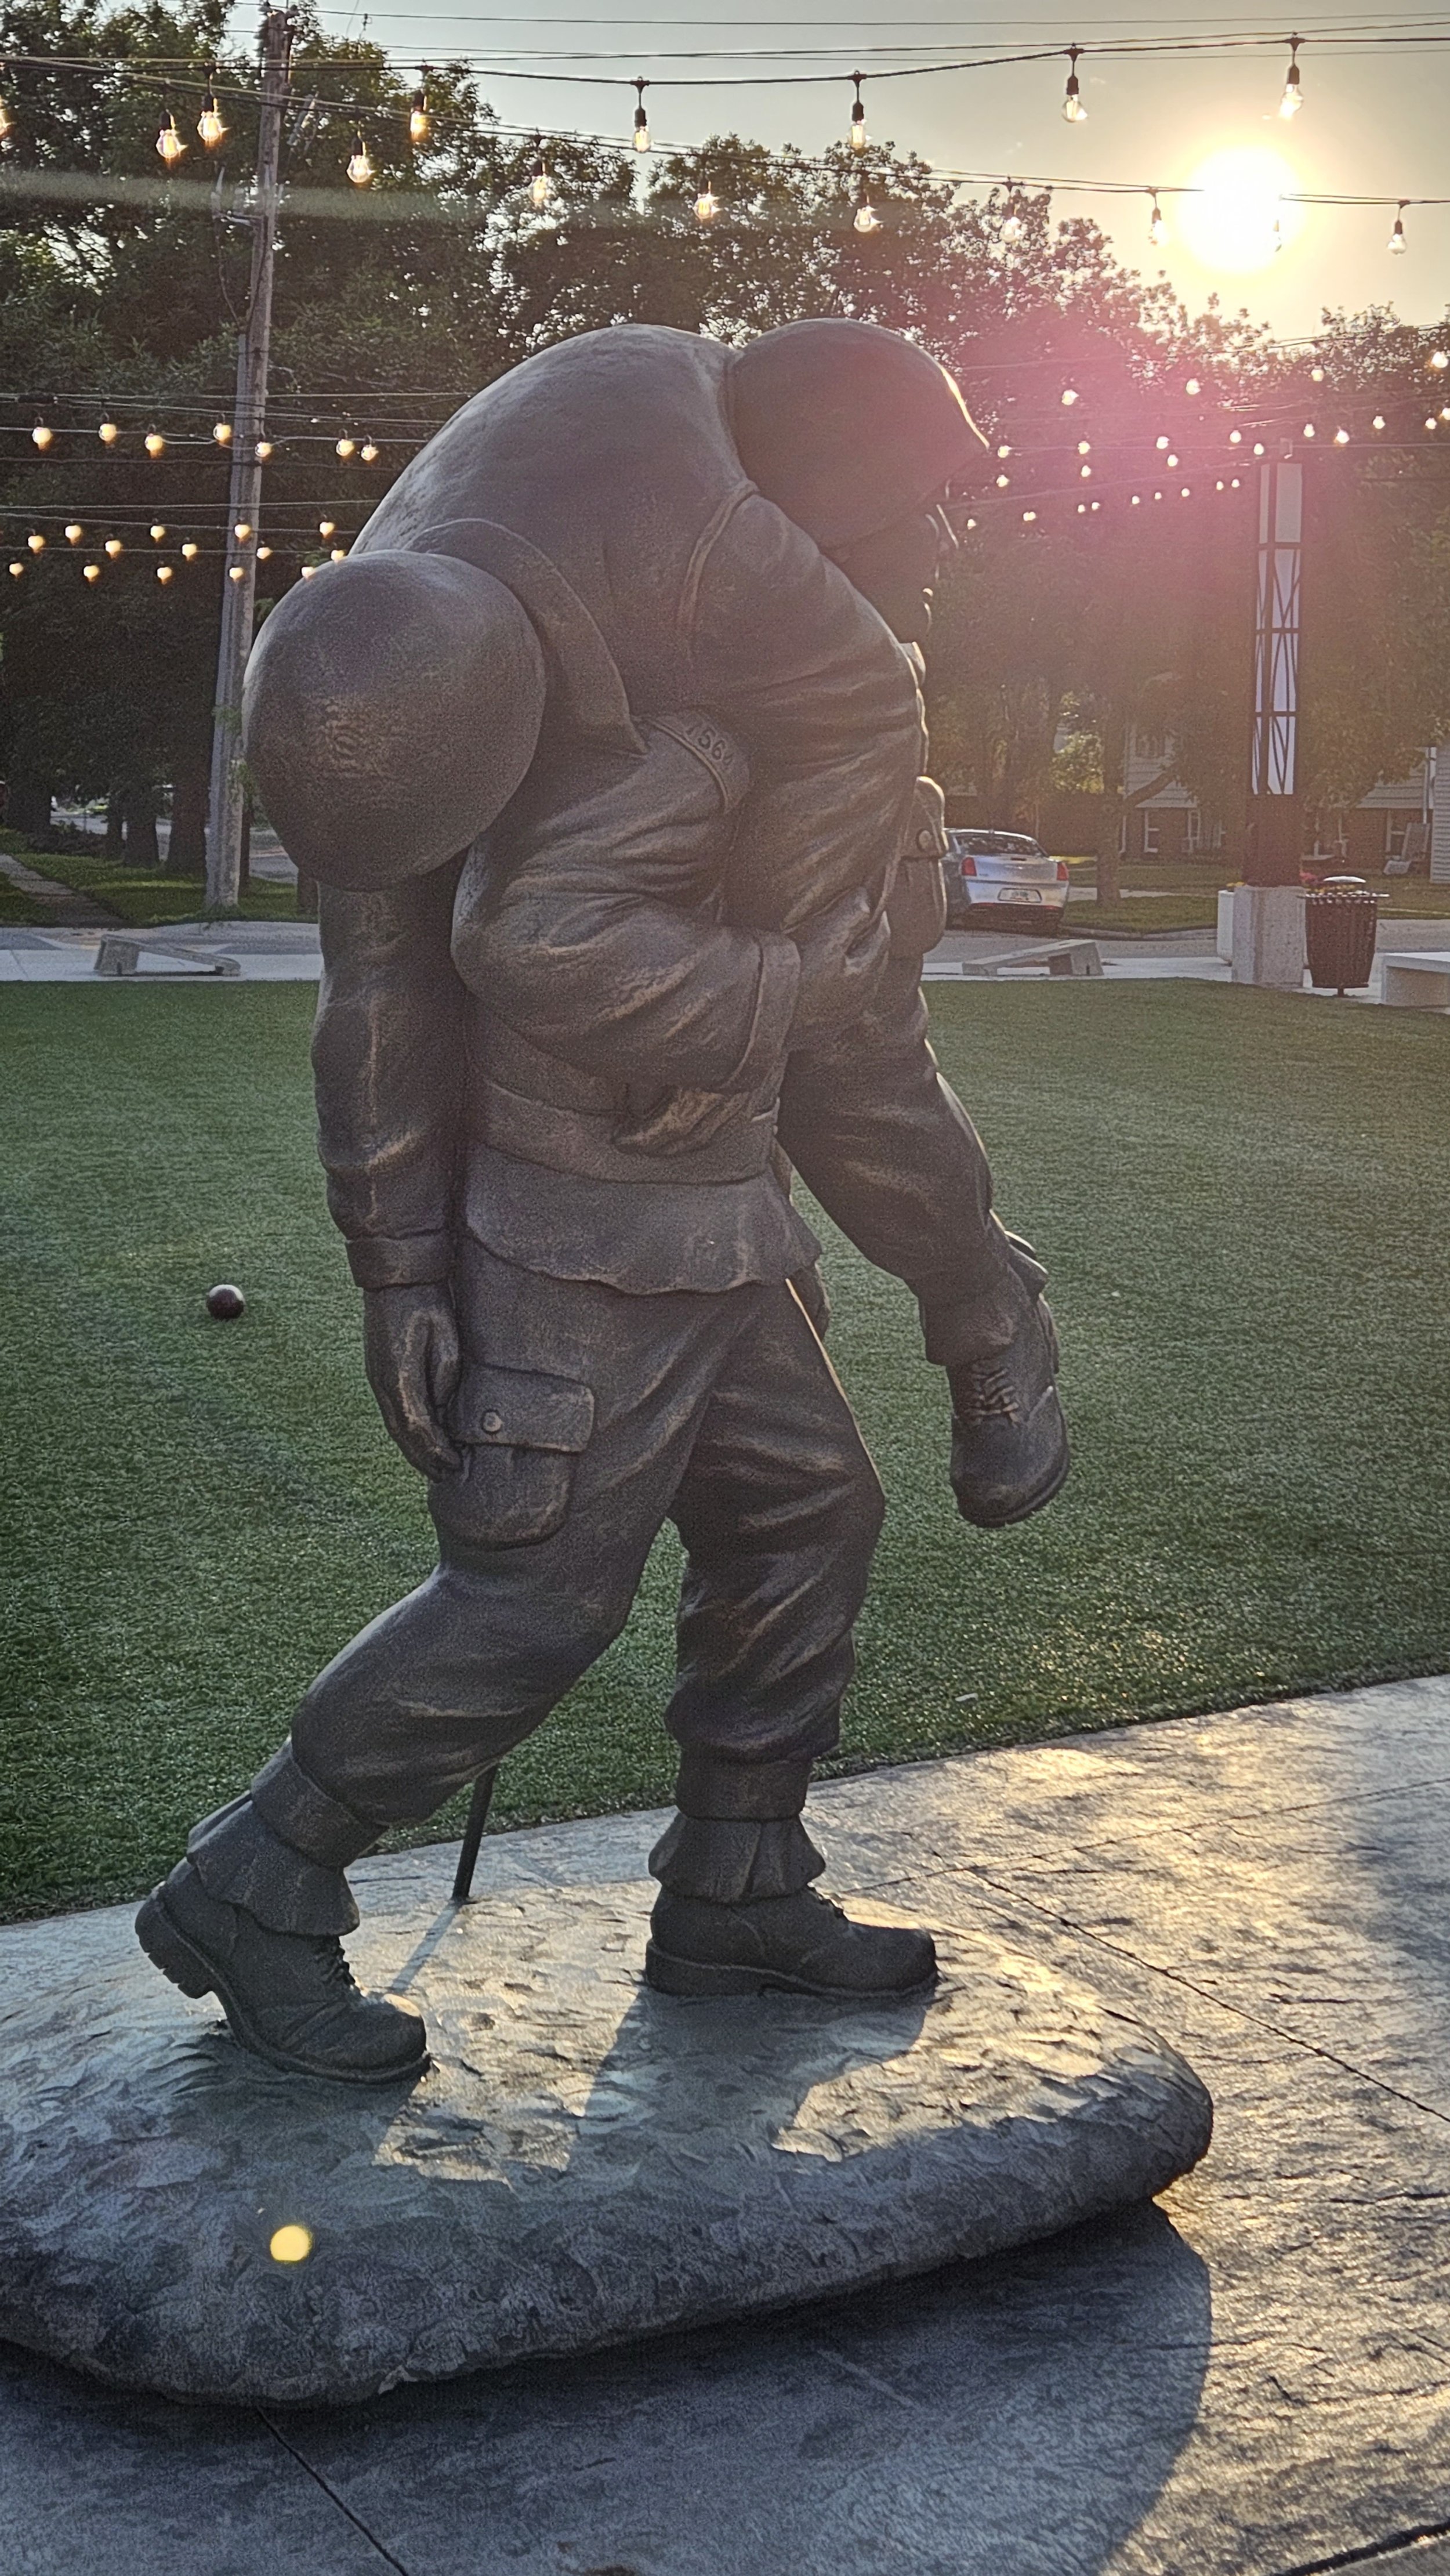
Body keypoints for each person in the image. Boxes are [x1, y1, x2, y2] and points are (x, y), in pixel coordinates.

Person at [135, 320, 1068, 2083]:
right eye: (929, 503)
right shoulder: (459, 699)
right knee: (532, 1599)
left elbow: (821, 1042)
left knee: (805, 1516)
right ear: (849, 502)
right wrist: (400, 1266)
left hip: (706, 1228)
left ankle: (734, 1882)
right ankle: (255, 1886)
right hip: (580, 1240)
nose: (948, 542)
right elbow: (433, 970)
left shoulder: (669, 585)